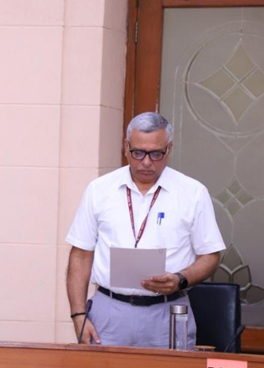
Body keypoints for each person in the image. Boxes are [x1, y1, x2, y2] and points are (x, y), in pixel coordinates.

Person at [66, 112, 225, 348]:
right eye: (138, 152)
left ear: (169, 149)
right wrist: (78, 316)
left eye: (156, 153)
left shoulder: (192, 193)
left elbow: (210, 255)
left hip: (168, 312)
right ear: (126, 147)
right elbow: (80, 255)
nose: (147, 162)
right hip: (109, 312)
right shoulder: (99, 190)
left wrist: (181, 279)